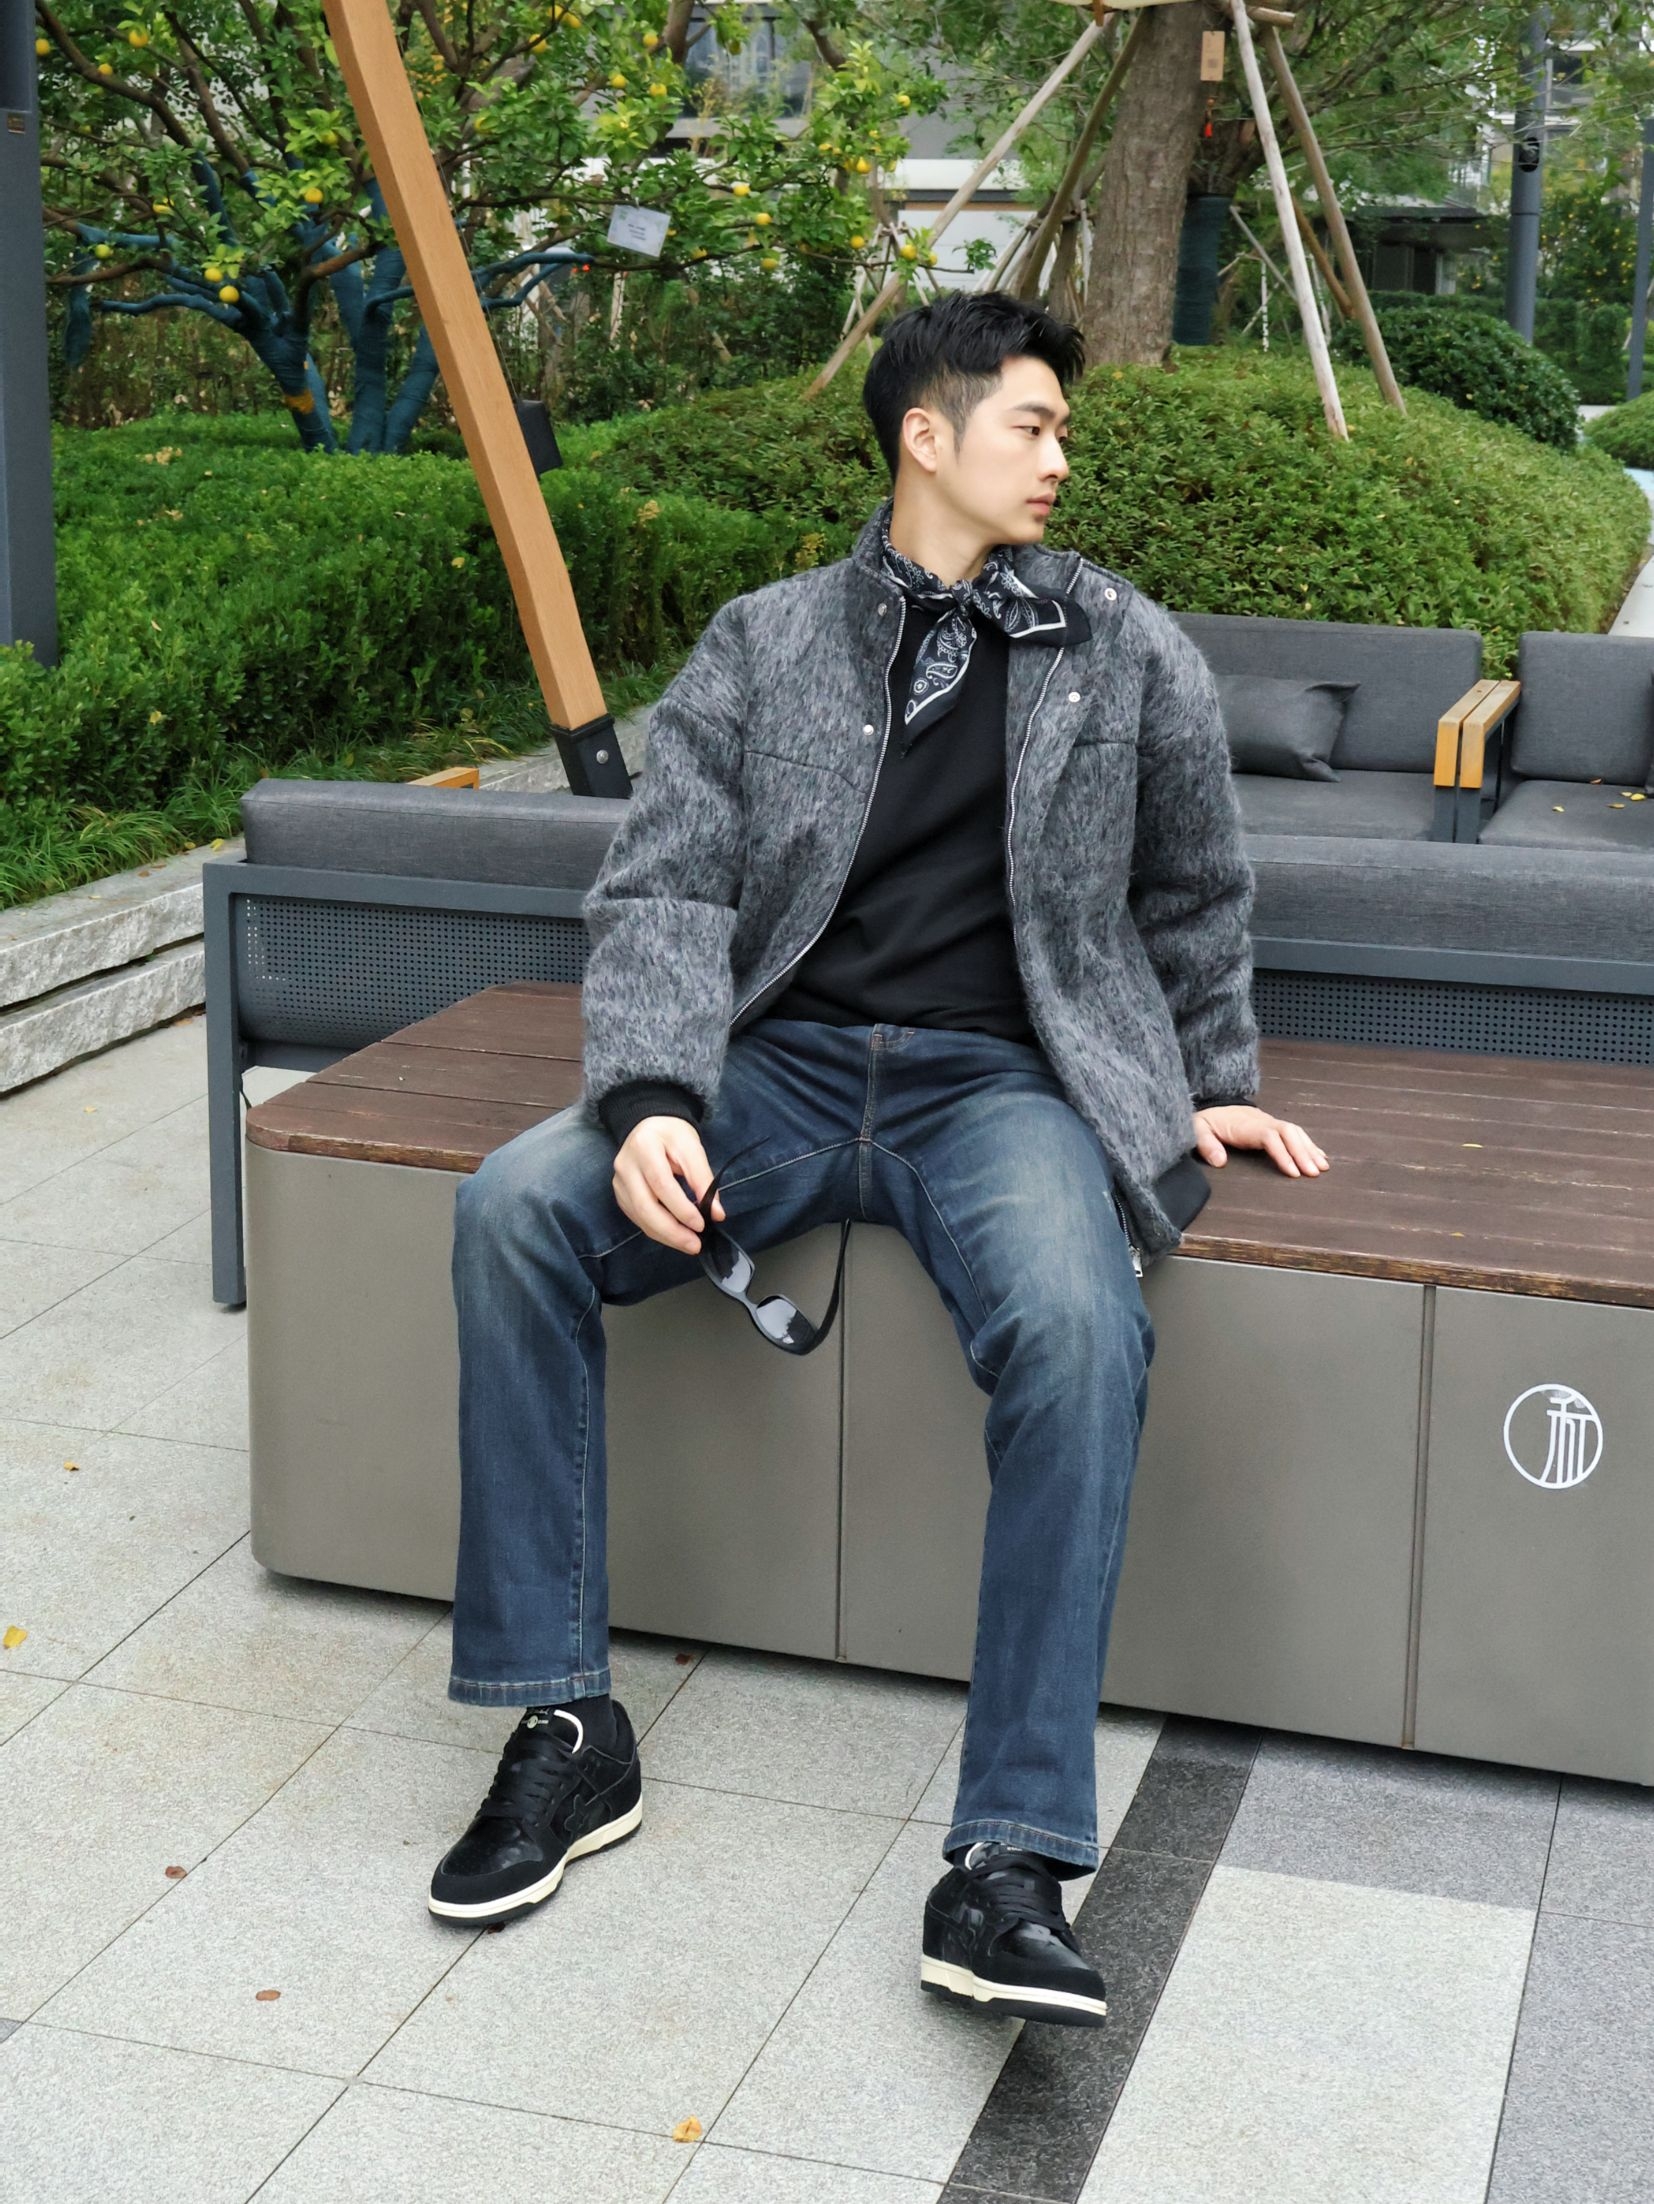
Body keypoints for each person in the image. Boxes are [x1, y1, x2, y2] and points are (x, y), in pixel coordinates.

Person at [427, 288, 1329, 2028]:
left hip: (1001, 1083)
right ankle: (565, 1721)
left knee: (1079, 1326)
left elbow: (1195, 888)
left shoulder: (1123, 644)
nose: (1058, 458)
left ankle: (1006, 1860)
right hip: (773, 1062)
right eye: (1032, 425)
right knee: (514, 1208)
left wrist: (1207, 1079)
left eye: (1061, 431)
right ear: (927, 433)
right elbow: (663, 883)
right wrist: (651, 1097)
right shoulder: (763, 642)